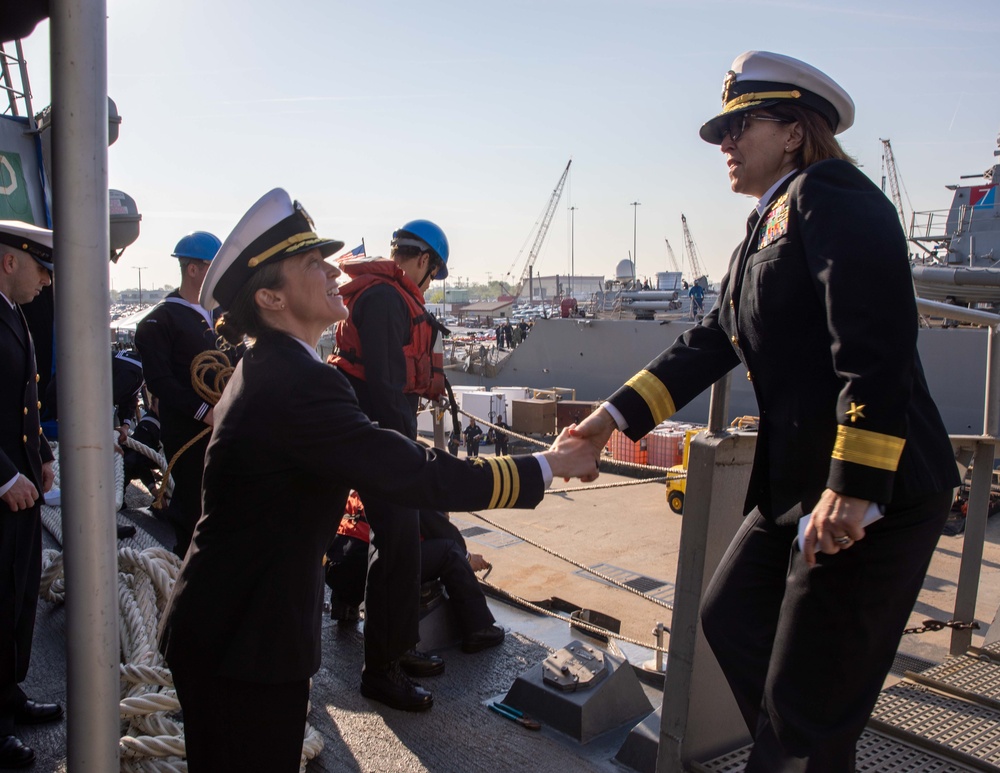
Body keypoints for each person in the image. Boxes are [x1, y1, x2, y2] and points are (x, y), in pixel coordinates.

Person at [572, 51, 959, 772]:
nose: (724, 142)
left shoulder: (832, 191)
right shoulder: (764, 224)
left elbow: (873, 338)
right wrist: (609, 420)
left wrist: (856, 484)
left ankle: (802, 743)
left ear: (791, 131)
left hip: (874, 490)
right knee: (732, 617)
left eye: (739, 125)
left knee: (801, 704)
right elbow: (712, 340)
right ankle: (810, 742)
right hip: (798, 484)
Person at [158, 188, 598, 772]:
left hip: (232, 625)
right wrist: (548, 464)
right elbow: (416, 473)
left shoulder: (270, 364)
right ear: (270, 296)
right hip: (246, 642)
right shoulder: (295, 381)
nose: (332, 269)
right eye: (312, 264)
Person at [326, 220, 456, 707]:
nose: (427, 284)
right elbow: (383, 385)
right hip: (377, 435)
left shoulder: (385, 294)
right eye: (432, 273)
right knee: (397, 542)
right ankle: (380, 671)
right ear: (423, 261)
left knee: (401, 541)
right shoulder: (384, 299)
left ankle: (397, 649)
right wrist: (406, 454)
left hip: (378, 430)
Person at [0, 221, 64, 769]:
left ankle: (9, 694)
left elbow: (22, 402)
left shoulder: (14, 313)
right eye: (42, 270)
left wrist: (41, 452)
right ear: (9, 261)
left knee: (17, 594)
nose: (47, 281)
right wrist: (3, 475)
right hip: (1, 492)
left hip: (20, 492)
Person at [134, 231, 225, 557]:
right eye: (215, 266)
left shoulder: (224, 316)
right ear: (194, 270)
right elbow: (160, 382)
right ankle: (187, 576)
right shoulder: (159, 321)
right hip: (191, 432)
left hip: (227, 426)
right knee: (193, 509)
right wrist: (205, 411)